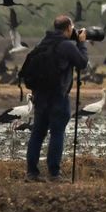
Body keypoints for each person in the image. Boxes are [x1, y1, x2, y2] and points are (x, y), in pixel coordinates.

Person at [25, 15, 88, 183]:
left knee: (37, 133)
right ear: (68, 28)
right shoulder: (67, 45)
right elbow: (82, 63)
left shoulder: (43, 43)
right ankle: (54, 174)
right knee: (57, 133)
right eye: (73, 28)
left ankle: (31, 173)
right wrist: (81, 44)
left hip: (40, 96)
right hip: (58, 97)